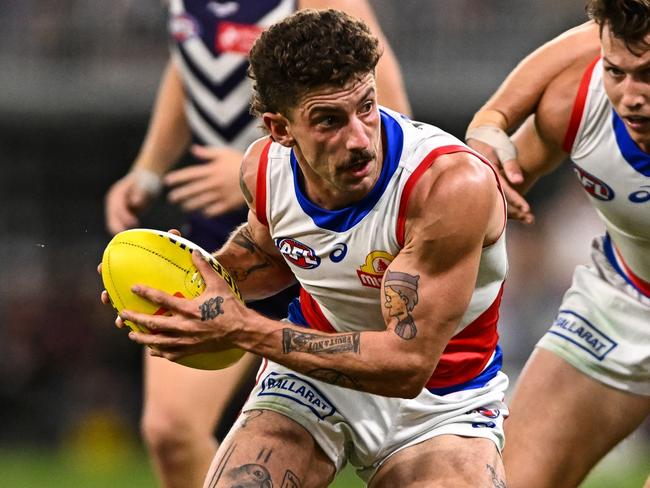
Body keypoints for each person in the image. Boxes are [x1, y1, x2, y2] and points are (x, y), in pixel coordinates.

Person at [102, 8, 512, 487]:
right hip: (314, 382)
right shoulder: (264, 171)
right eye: (328, 120)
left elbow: (406, 365)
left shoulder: (449, 187)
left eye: (366, 106)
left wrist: (244, 328)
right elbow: (270, 259)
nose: (359, 139)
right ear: (279, 129)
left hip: (442, 402)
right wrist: (184, 286)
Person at [465, 1, 650, 486]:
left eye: (649, 75)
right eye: (617, 71)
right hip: (624, 299)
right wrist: (486, 163)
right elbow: (483, 198)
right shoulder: (578, 99)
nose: (630, 96)